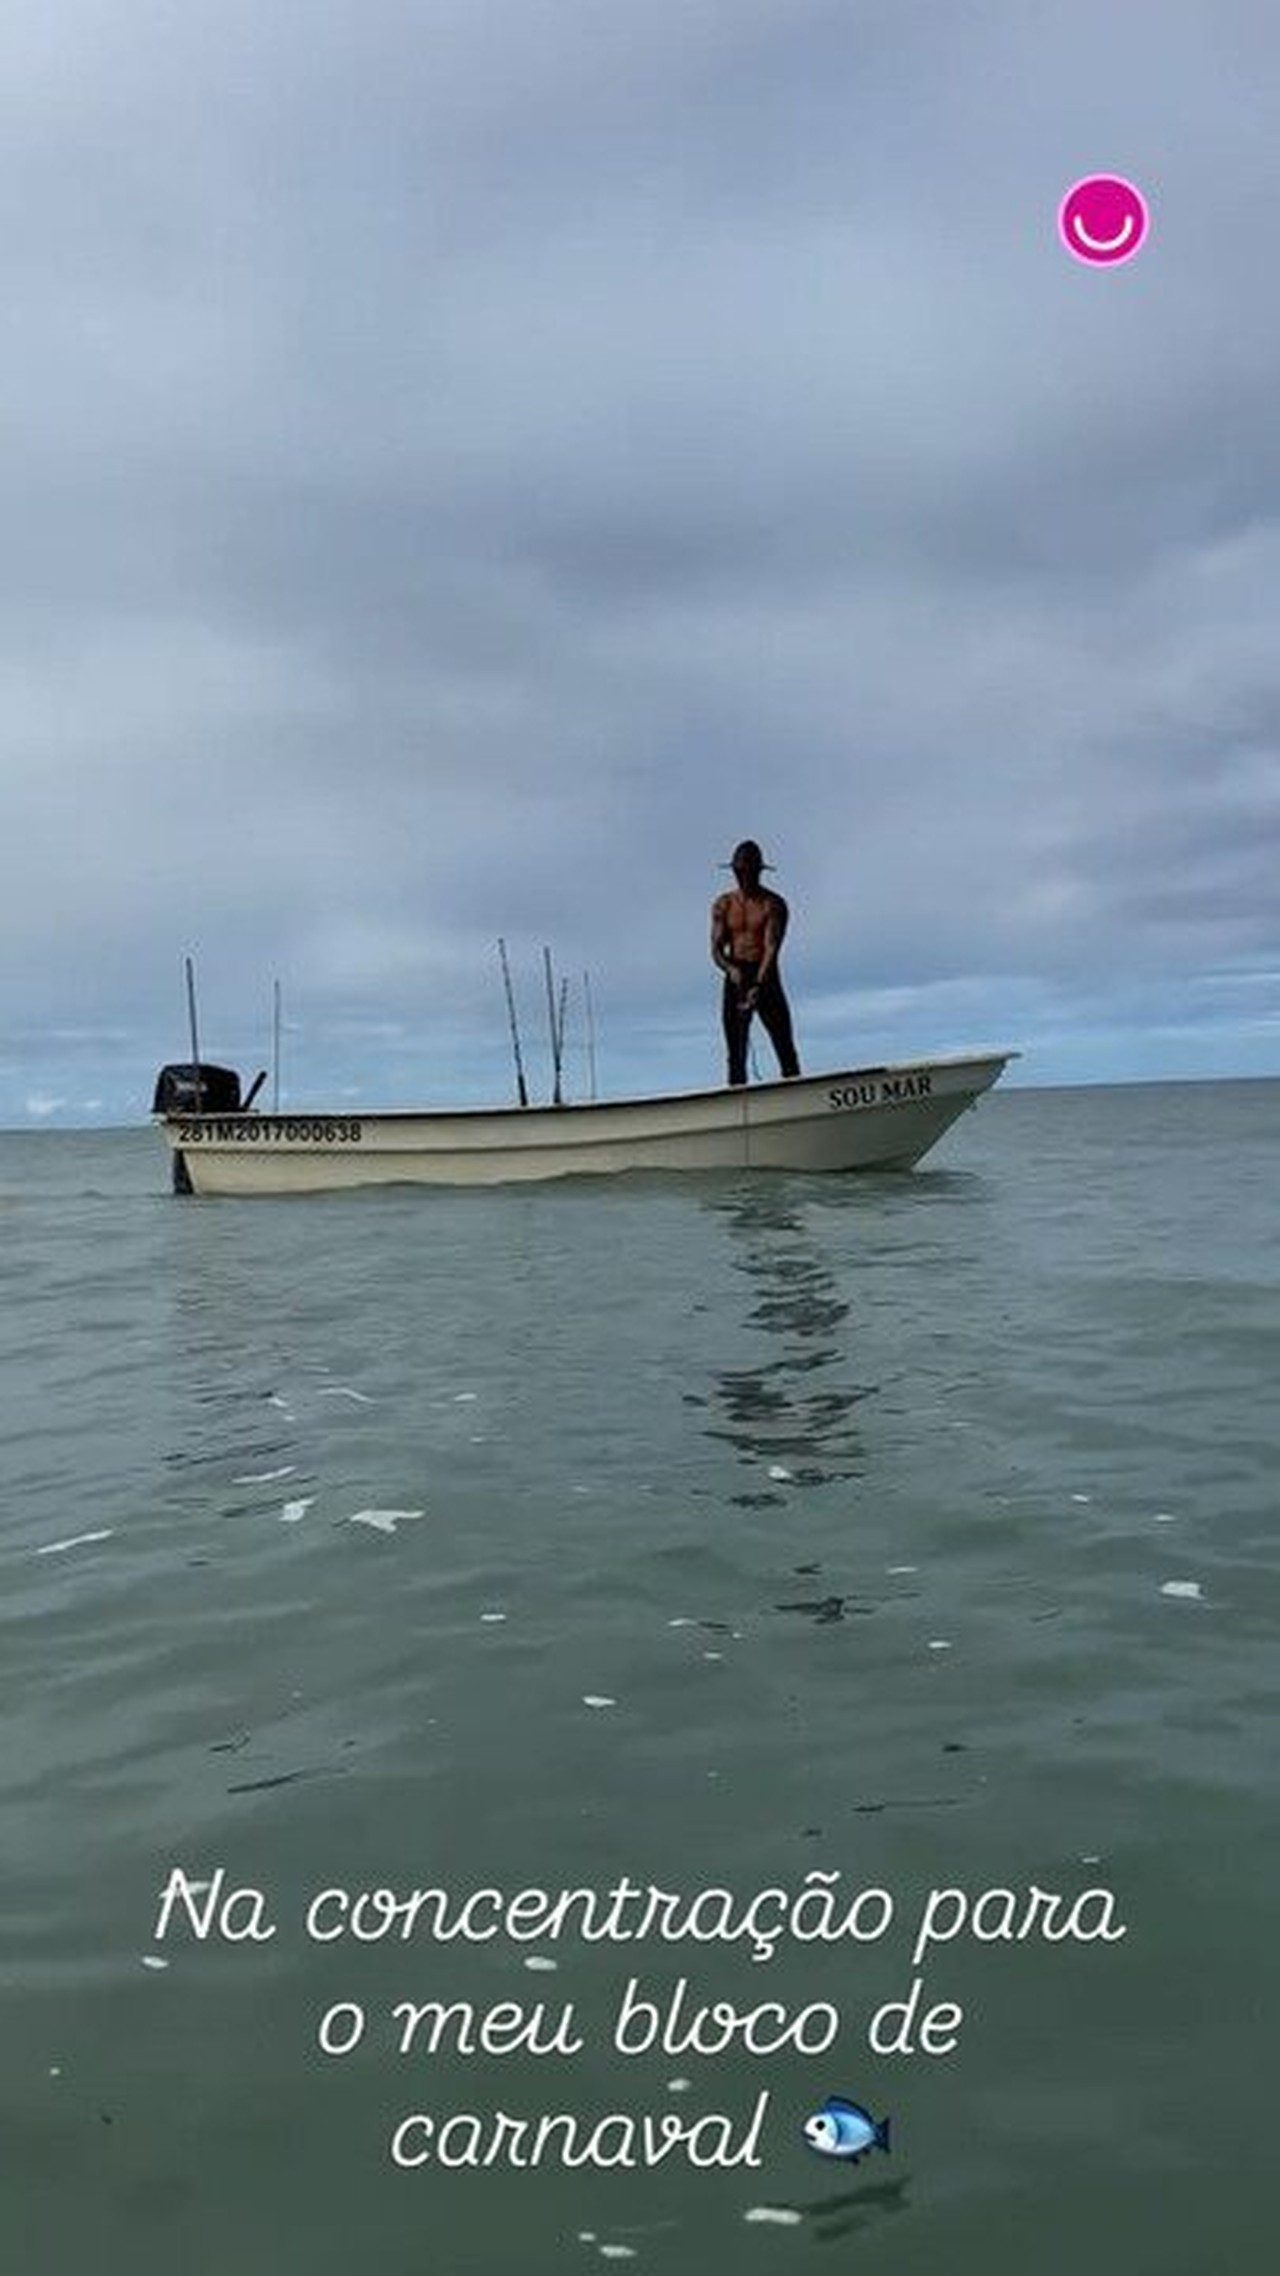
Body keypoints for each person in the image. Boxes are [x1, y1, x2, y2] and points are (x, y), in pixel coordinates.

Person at [710, 839, 801, 1087]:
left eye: (748, 872)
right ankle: (737, 1098)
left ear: (758, 872)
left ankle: (794, 1090)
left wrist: (759, 985)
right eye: (739, 872)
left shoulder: (772, 904)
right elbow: (716, 949)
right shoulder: (724, 904)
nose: (743, 877)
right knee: (735, 1051)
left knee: (783, 1043)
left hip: (765, 973)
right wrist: (730, 968)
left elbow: (772, 948)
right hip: (736, 973)